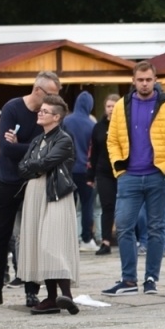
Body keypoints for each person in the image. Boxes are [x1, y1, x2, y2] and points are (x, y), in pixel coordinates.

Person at [103, 62, 165, 296]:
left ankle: (151, 278)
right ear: (133, 81)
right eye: (140, 80)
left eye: (149, 79)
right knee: (124, 227)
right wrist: (119, 167)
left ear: (155, 79)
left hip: (158, 175)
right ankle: (129, 280)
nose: (145, 84)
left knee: (156, 228)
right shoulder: (122, 105)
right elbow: (112, 140)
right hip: (129, 175)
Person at [0, 72, 58, 306]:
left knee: (31, 236)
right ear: (38, 91)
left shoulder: (45, 115)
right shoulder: (13, 108)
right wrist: (31, 147)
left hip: (32, 181)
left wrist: (22, 145)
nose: (54, 103)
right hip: (7, 180)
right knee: (0, 236)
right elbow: (7, 149)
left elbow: (48, 148)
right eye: (52, 96)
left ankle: (31, 291)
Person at [17, 96, 81, 314]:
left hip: (55, 194)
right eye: (40, 110)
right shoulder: (37, 140)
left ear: (57, 117)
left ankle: (66, 295)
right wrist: (36, 166)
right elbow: (22, 167)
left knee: (52, 244)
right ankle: (52, 298)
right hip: (35, 195)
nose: (40, 113)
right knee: (39, 244)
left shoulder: (64, 139)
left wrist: (34, 166)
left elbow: (45, 163)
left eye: (45, 111)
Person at [66, 91, 98, 251]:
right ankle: (86, 238)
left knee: (67, 206)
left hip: (67, 170)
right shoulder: (92, 125)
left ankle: (68, 239)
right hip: (86, 170)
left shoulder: (65, 121)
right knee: (87, 205)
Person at [92, 93, 119, 256]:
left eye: (114, 106)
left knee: (125, 207)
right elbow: (93, 152)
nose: (111, 109)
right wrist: (90, 175)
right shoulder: (99, 127)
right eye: (108, 106)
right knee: (107, 206)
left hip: (123, 170)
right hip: (103, 172)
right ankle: (106, 241)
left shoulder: (125, 125)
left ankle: (129, 238)